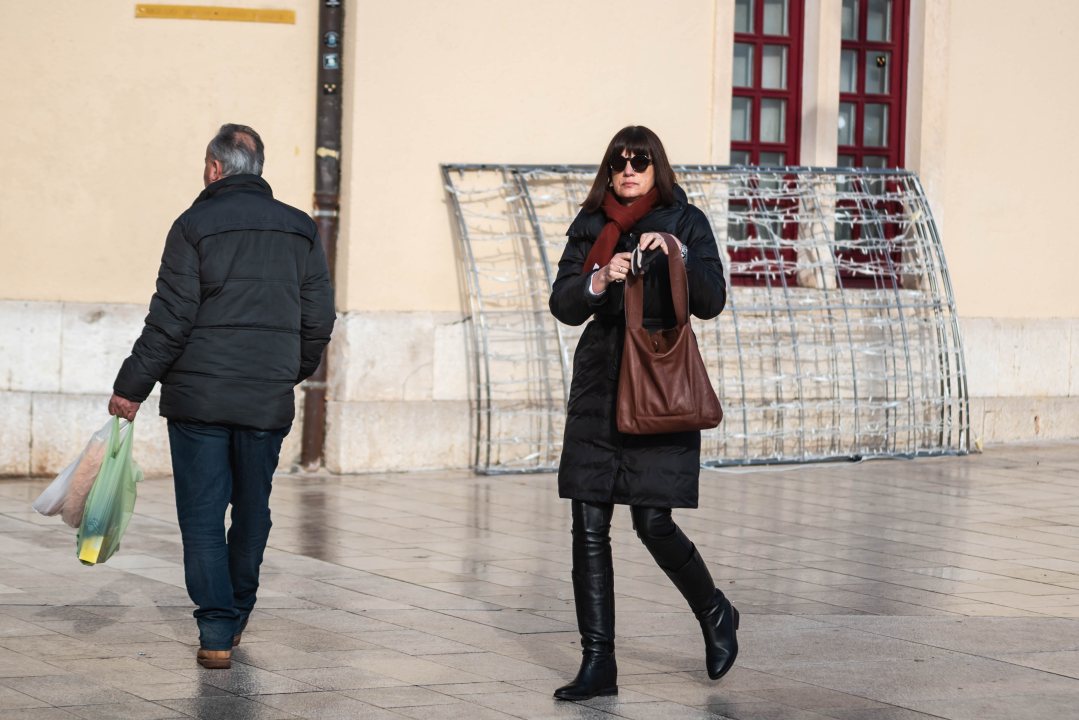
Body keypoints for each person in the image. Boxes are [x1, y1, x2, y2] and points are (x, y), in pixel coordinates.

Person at [108, 124, 336, 669]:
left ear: (214, 168)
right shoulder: (301, 230)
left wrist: (130, 387)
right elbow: (319, 320)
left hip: (198, 401)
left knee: (204, 516)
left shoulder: (192, 225)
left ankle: (215, 631)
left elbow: (171, 318)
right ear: (256, 169)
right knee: (253, 510)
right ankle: (238, 611)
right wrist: (288, 372)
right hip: (265, 399)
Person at [548, 126, 736, 700]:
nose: (629, 170)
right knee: (588, 525)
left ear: (658, 169)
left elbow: (711, 300)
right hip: (600, 389)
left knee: (652, 522)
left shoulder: (685, 222)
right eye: (620, 162)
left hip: (658, 384)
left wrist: (676, 255)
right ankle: (598, 662)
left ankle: (715, 611)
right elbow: (562, 303)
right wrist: (600, 279)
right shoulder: (589, 227)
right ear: (609, 170)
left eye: (641, 162)